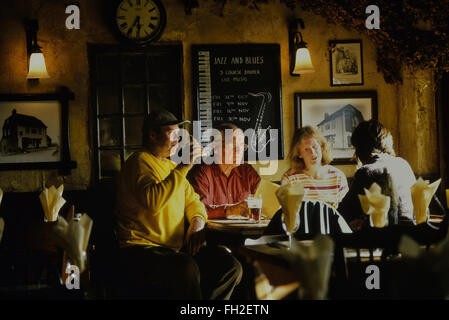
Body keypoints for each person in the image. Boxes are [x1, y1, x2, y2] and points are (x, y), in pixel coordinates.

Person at [115, 110, 242, 299]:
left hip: (173, 249)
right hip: (140, 247)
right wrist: (185, 166)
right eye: (172, 134)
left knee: (230, 266)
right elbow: (153, 202)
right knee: (185, 268)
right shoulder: (139, 161)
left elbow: (193, 201)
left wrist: (197, 223)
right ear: (152, 135)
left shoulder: (170, 166)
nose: (178, 139)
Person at [338, 120, 416, 231]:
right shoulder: (403, 164)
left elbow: (343, 213)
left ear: (359, 150)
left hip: (383, 240)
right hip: (412, 236)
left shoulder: (366, 172)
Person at [189, 123, 261, 219]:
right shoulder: (202, 173)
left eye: (242, 146)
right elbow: (198, 210)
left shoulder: (247, 171)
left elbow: (264, 200)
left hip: (247, 231)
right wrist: (230, 210)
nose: (239, 151)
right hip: (215, 233)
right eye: (234, 145)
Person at [281, 126, 349, 209]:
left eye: (314, 146)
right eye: (306, 149)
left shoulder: (338, 176)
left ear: (321, 147)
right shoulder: (290, 179)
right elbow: (285, 213)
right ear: (299, 154)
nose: (312, 152)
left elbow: (346, 212)